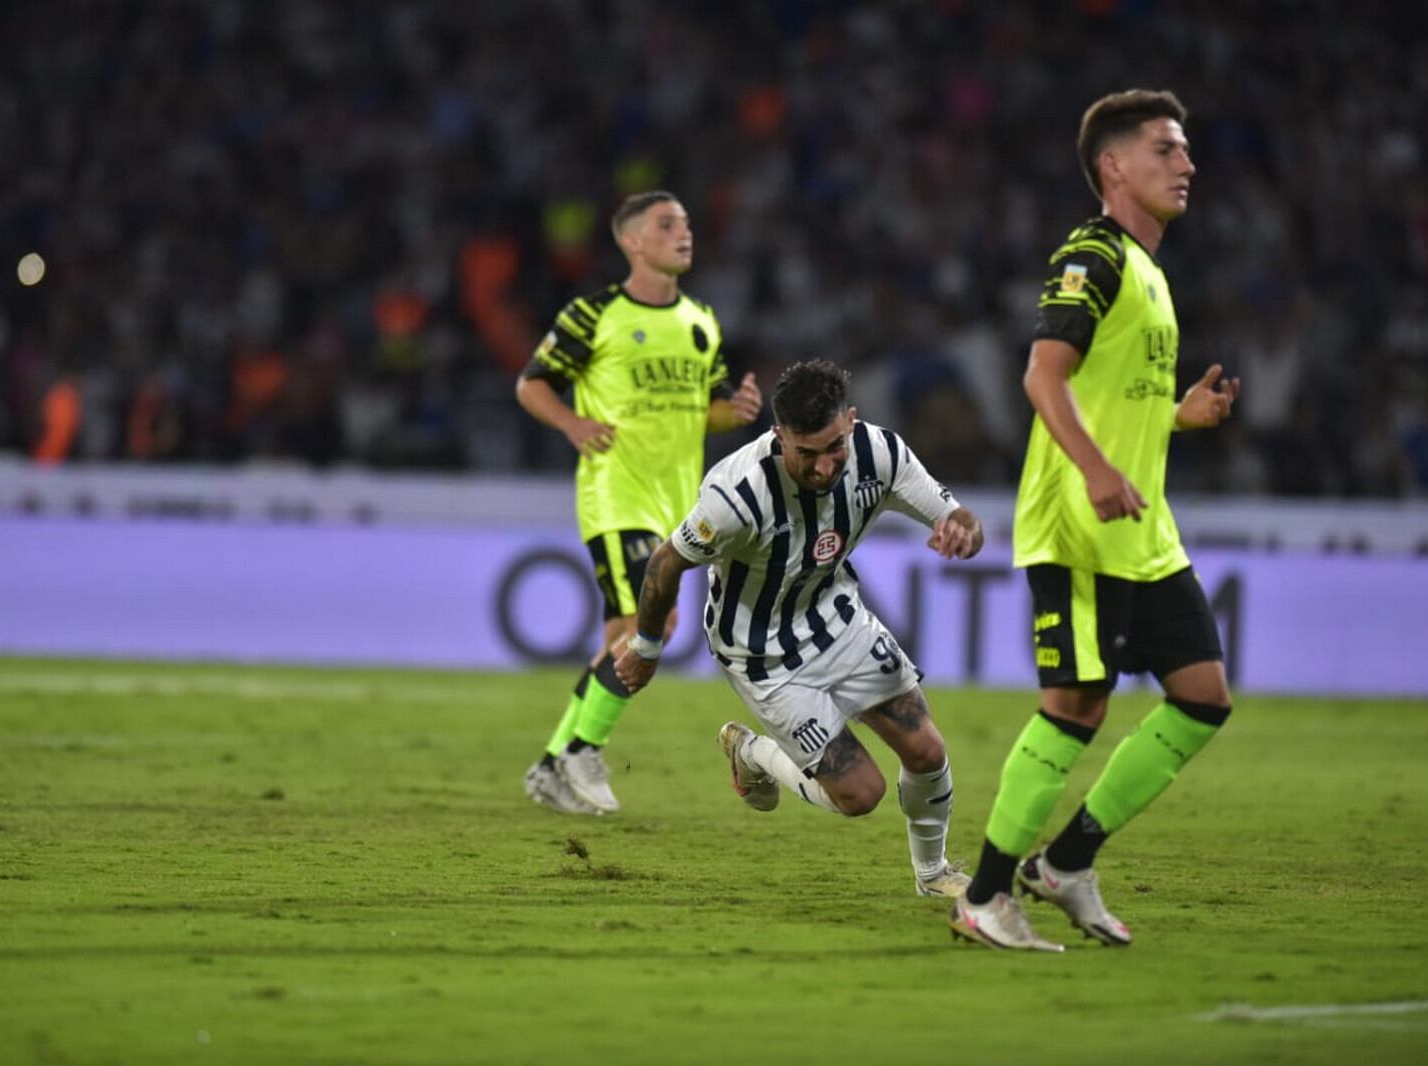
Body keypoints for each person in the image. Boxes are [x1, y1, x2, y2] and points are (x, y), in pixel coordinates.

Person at [948, 90, 1241, 952]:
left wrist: (1176, 419)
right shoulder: (1093, 254)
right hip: (1078, 521)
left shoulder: (1150, 273)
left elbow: (1113, 397)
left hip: (1143, 533)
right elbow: (1043, 377)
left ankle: (1067, 862)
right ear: (1114, 167)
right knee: (1075, 703)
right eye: (1165, 150)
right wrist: (1098, 467)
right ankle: (985, 895)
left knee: (1201, 699)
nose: (1185, 164)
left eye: (1185, 150)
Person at [615, 360, 983, 899]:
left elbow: (957, 517)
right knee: (861, 794)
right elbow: (665, 565)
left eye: (834, 447)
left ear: (851, 423)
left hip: (837, 620)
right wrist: (647, 648)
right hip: (760, 654)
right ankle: (750, 753)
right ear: (777, 434)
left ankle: (933, 875)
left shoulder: (881, 454)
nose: (823, 467)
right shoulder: (734, 497)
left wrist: (963, 534)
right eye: (805, 453)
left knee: (926, 751)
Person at [518, 191, 763, 815]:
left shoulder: (701, 321)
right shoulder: (593, 314)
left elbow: (703, 410)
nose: (684, 233)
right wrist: (572, 425)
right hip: (616, 493)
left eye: (686, 222)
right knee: (655, 626)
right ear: (632, 241)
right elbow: (531, 383)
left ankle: (552, 764)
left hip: (679, 502)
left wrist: (733, 412)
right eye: (667, 224)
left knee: (616, 639)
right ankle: (583, 749)